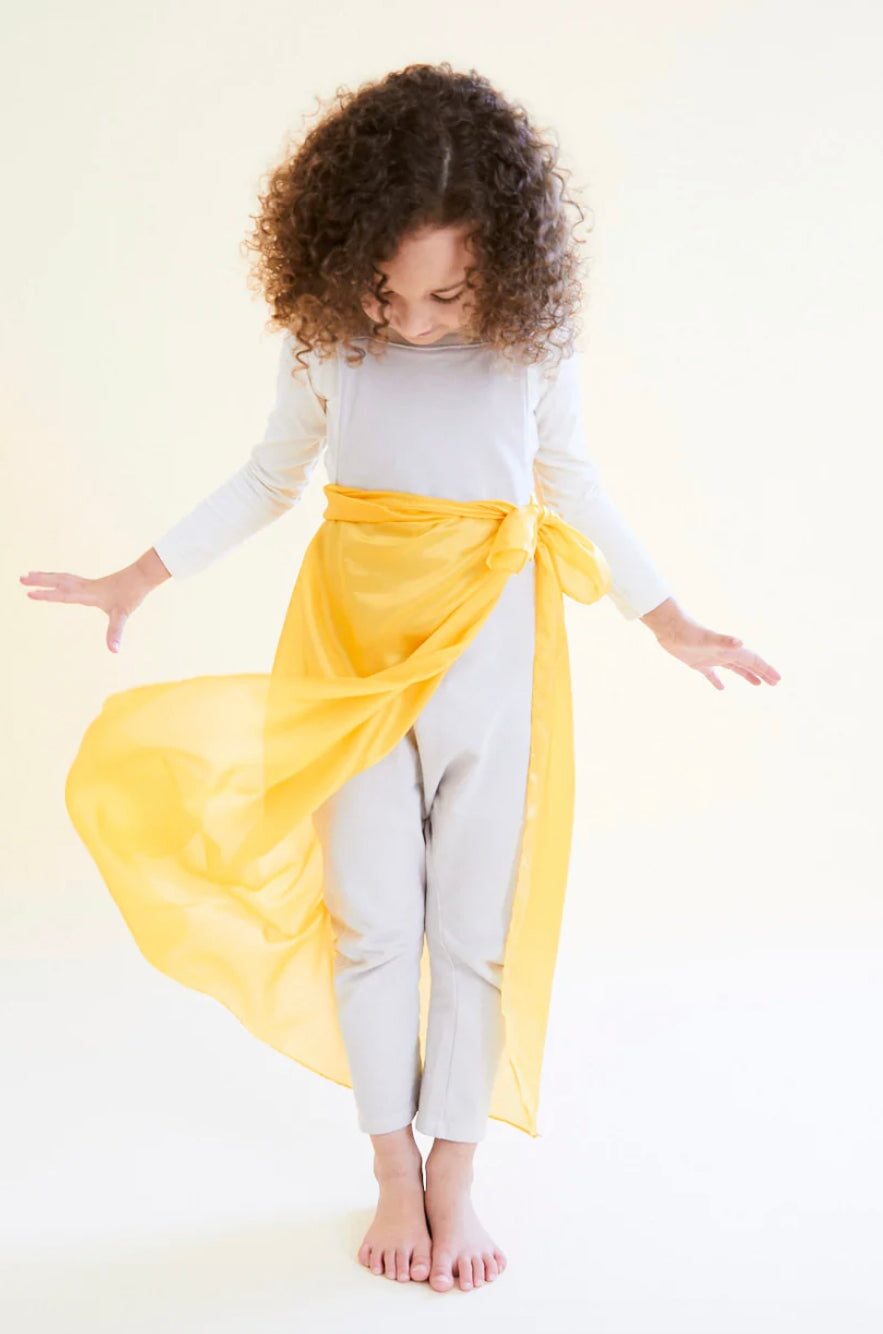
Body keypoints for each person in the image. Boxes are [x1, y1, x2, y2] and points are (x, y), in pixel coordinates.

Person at [20, 62, 780, 1294]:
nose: (415, 319)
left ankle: (457, 1168)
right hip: (348, 651)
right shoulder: (328, 340)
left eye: (448, 293)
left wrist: (670, 620)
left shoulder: (531, 349)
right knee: (373, 920)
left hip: (490, 647)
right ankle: (389, 1163)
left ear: (507, 267)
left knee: (473, 931)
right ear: (338, 255)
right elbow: (271, 476)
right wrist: (137, 576)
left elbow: (571, 483)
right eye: (388, 289)